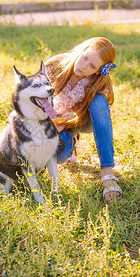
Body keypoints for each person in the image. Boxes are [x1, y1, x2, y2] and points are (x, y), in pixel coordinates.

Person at [45, 37, 122, 201]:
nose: (83, 65)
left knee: (99, 101)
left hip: (82, 120)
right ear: (82, 49)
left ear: (98, 70)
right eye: (85, 57)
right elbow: (35, 96)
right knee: (58, 155)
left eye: (92, 66)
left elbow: (100, 112)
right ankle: (71, 143)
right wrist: (51, 124)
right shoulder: (54, 66)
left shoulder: (97, 82)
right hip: (54, 120)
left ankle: (107, 172)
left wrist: (64, 124)